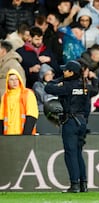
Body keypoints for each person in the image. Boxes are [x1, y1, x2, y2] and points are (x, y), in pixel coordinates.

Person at [44, 60, 89, 193]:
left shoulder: (67, 86)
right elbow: (87, 107)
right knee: (78, 153)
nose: (64, 72)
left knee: (70, 154)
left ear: (71, 72)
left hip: (70, 121)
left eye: (66, 71)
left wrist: (60, 79)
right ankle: (83, 183)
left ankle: (74, 184)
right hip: (82, 121)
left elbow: (48, 87)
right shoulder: (84, 85)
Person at [0, 69, 38, 135]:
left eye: (16, 79)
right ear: (7, 82)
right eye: (11, 80)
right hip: (8, 136)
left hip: (24, 135)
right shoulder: (5, 96)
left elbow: (32, 114)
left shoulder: (28, 93)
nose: (14, 82)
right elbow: (1, 117)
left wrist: (25, 135)